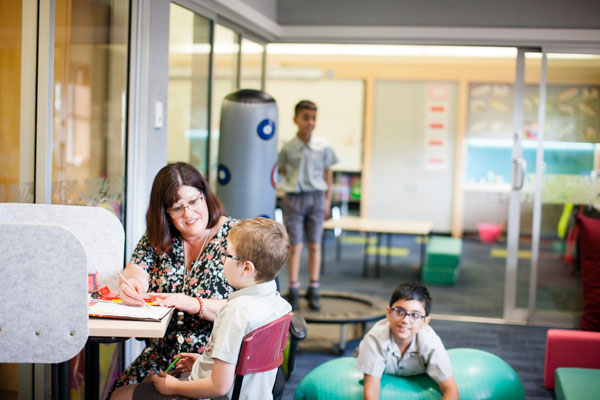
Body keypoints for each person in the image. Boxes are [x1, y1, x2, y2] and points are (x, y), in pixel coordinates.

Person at [111, 217, 292, 400]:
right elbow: (245, 364)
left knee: (120, 395)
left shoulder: (235, 312)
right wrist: (203, 363)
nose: (222, 260)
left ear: (246, 268)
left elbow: (219, 386)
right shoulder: (280, 305)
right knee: (151, 380)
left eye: (227, 255)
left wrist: (174, 388)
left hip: (215, 396)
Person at [109, 162, 236, 395]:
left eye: (193, 201)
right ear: (165, 212)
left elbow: (247, 310)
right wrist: (134, 283)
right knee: (118, 392)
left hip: (212, 361)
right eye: (177, 208)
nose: (188, 214)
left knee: (123, 396)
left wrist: (191, 303)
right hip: (161, 358)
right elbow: (135, 269)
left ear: (205, 196)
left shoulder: (236, 237)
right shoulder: (159, 237)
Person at [277, 99, 339, 311]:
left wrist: (328, 200)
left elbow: (328, 173)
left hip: (317, 198)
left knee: (315, 244)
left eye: (313, 118)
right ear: (295, 119)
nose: (310, 122)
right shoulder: (287, 147)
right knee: (295, 246)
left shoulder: (323, 146)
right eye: (305, 118)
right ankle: (293, 288)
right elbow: (283, 170)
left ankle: (314, 288)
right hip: (294, 199)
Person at [355, 282, 459, 400]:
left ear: (425, 322)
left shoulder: (431, 343)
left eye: (415, 315)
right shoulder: (375, 339)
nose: (405, 320)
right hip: (370, 354)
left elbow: (451, 390)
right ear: (388, 313)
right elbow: (371, 389)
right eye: (399, 311)